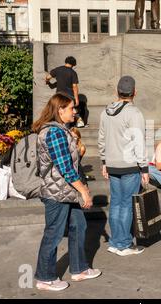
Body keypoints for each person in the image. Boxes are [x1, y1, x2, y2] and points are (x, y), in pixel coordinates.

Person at [33, 93, 101, 292]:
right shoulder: (54, 133)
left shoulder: (63, 130)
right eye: (71, 108)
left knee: (79, 226)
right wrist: (85, 192)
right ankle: (45, 278)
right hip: (57, 193)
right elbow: (66, 169)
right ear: (60, 110)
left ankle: (79, 269)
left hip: (67, 192)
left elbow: (68, 162)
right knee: (53, 234)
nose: (75, 111)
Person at [98, 75, 149, 256]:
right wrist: (144, 167)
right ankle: (124, 244)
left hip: (112, 164)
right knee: (126, 204)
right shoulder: (134, 113)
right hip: (129, 166)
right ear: (134, 92)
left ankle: (115, 241)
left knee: (116, 203)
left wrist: (104, 161)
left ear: (117, 92)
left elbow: (102, 139)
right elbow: (139, 142)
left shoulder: (105, 112)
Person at [45, 56, 85, 128]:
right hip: (69, 96)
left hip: (59, 96)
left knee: (60, 112)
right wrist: (76, 99)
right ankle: (78, 121)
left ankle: (61, 127)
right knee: (71, 110)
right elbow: (74, 86)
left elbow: (48, 77)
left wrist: (48, 82)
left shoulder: (57, 70)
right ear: (73, 64)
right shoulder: (73, 73)